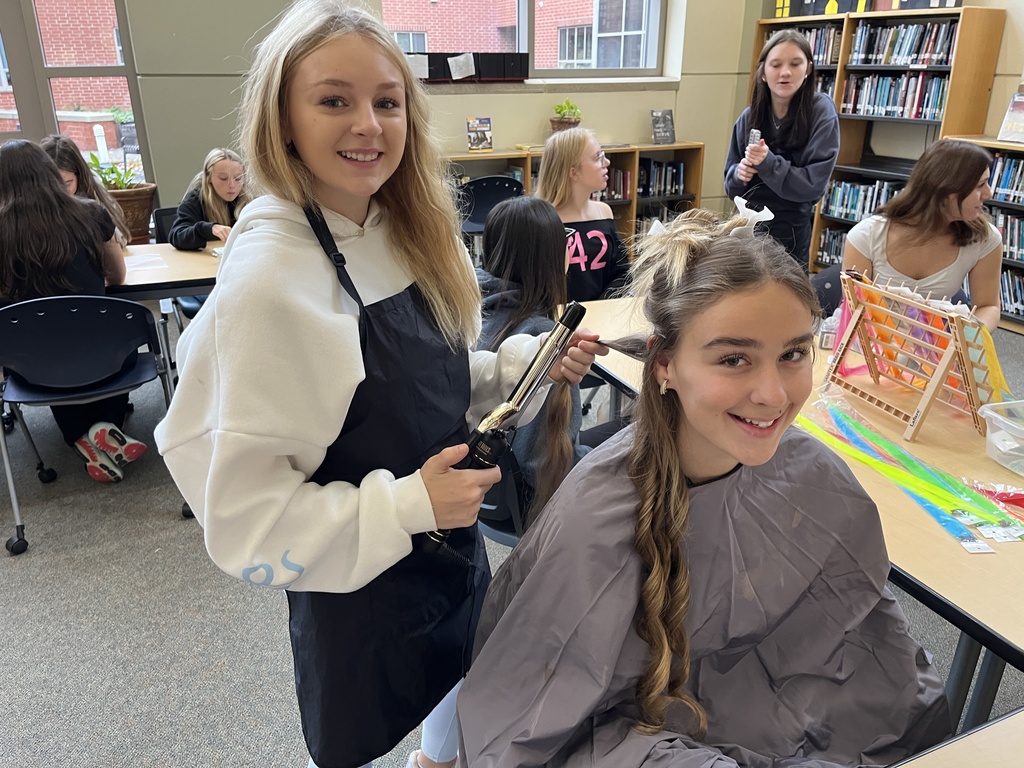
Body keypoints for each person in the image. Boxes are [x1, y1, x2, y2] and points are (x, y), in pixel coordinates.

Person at [152, 3, 604, 768]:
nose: (368, 124)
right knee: (355, 733)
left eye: (387, 102)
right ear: (283, 118)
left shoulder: (410, 230)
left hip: (449, 543)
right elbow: (244, 520)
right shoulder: (269, 283)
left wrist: (522, 367)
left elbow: (430, 383)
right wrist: (409, 505)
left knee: (459, 681)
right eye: (334, 100)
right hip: (355, 585)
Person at [457, 209, 951, 768]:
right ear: (664, 365)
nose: (773, 394)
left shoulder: (810, 470)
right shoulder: (596, 523)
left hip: (788, 705)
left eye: (793, 354)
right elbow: (527, 731)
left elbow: (866, 633)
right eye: (734, 359)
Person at [0, 139, 146, 483]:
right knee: (107, 343)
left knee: (44, 351)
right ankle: (106, 429)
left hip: (34, 367)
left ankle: (82, 437)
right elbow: (117, 276)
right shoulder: (91, 213)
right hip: (106, 355)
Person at [476, 195, 591, 525]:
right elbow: (544, 463)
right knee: (631, 439)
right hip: (532, 505)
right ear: (549, 256)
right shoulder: (545, 340)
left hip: (486, 499)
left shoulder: (472, 315)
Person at [839, 139, 1002, 331]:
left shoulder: (985, 239)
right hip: (871, 337)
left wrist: (967, 338)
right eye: (980, 185)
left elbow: (988, 306)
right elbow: (853, 308)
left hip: (936, 342)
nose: (989, 194)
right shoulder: (867, 235)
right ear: (946, 189)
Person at [724, 28, 840, 268]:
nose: (785, 72)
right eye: (776, 65)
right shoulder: (749, 116)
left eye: (795, 64)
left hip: (791, 229)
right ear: (763, 72)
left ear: (808, 69)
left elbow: (813, 186)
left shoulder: (821, 112)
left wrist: (768, 163)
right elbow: (731, 186)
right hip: (747, 226)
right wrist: (739, 173)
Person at [535, 126, 630, 302]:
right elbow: (537, 285)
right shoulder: (541, 220)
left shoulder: (604, 211)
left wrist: (600, 306)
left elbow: (622, 271)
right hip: (561, 315)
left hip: (604, 312)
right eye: (597, 158)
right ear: (574, 172)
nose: (607, 162)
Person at [40, 133, 132, 247]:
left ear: (79, 176)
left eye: (68, 183)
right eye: (55, 185)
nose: (63, 191)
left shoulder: (93, 190)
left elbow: (120, 240)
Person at [168, 147, 251, 250]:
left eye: (238, 178)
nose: (231, 185)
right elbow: (177, 236)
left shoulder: (250, 199)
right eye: (223, 178)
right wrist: (208, 229)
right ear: (209, 177)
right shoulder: (196, 199)